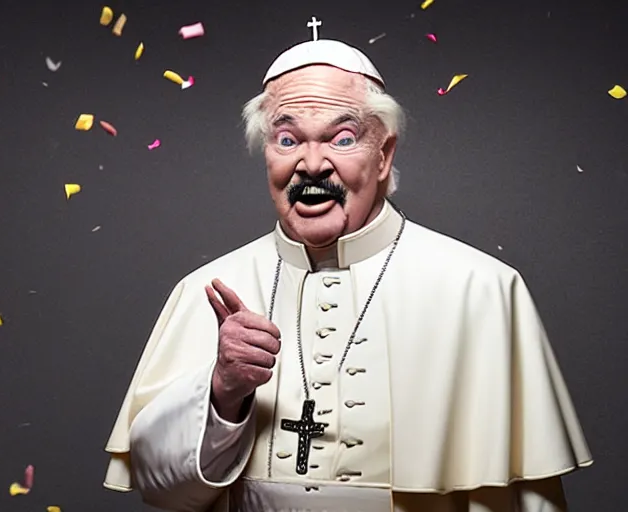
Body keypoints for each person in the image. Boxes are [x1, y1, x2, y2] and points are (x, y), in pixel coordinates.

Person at [103, 22, 592, 512]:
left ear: (383, 154)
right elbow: (161, 490)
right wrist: (221, 392)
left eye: (341, 139)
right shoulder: (205, 290)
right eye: (288, 139)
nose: (311, 165)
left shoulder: (480, 290)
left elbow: (530, 499)